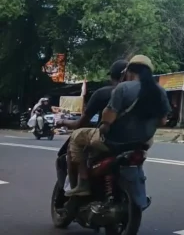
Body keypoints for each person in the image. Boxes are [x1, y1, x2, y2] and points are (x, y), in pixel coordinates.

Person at [66, 55, 170, 197]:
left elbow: (108, 120)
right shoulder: (160, 91)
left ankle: (83, 183)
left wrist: (104, 126)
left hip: (115, 142)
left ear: (129, 71)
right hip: (142, 143)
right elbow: (162, 121)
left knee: (76, 137)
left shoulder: (123, 88)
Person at [59, 60, 127, 191]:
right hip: (136, 141)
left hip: (109, 139)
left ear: (111, 76)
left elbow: (81, 123)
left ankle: (81, 183)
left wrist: (63, 122)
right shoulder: (140, 94)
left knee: (76, 138)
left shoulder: (104, 93)